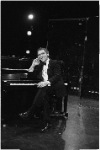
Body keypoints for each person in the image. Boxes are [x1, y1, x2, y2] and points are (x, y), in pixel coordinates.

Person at [19, 47, 67, 131]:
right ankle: (47, 123)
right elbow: (30, 76)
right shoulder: (40, 65)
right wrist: (33, 65)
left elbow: (57, 76)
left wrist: (46, 82)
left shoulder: (55, 63)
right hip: (46, 89)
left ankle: (30, 112)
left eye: (42, 53)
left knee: (43, 89)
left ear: (47, 54)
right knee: (45, 98)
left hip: (56, 87)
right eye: (39, 55)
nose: (41, 56)